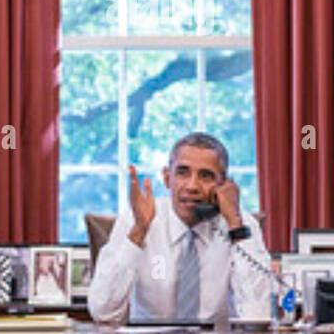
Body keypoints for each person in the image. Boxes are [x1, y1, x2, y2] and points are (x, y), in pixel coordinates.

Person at [88, 132, 271, 324]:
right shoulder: (137, 219)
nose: (192, 186)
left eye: (206, 176)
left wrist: (235, 224)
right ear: (167, 178)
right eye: (182, 173)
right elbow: (103, 313)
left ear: (224, 185)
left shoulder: (241, 224)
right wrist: (139, 232)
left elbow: (258, 315)